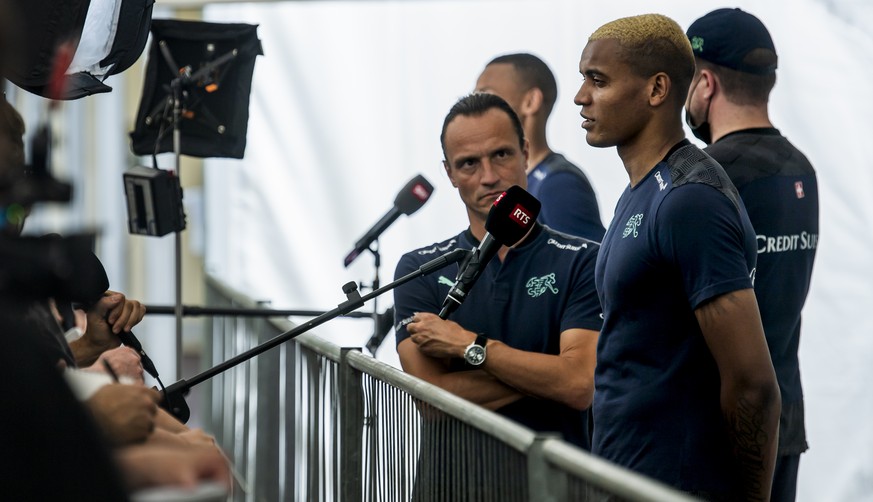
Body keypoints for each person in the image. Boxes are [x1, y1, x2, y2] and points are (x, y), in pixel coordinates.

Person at [574, 13, 781, 500]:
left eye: (597, 80)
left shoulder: (691, 201)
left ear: (656, 89)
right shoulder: (642, 188)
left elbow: (753, 383)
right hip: (624, 475)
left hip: (676, 483)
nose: (581, 97)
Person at [393, 92, 602, 450]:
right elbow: (432, 401)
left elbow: (579, 385)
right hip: (452, 487)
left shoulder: (583, 259)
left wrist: (470, 347)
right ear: (450, 173)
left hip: (552, 487)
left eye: (501, 155)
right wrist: (546, 376)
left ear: (524, 152)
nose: (489, 176)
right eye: (469, 163)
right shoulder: (418, 269)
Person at [685, 9, 819, 501]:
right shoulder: (800, 169)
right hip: (781, 424)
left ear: (704, 82)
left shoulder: (704, 177)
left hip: (719, 434)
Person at [475, 53, 605, 241]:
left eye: (485, 95)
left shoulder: (559, 185)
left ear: (530, 102)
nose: (475, 107)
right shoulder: (523, 181)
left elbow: (591, 265)